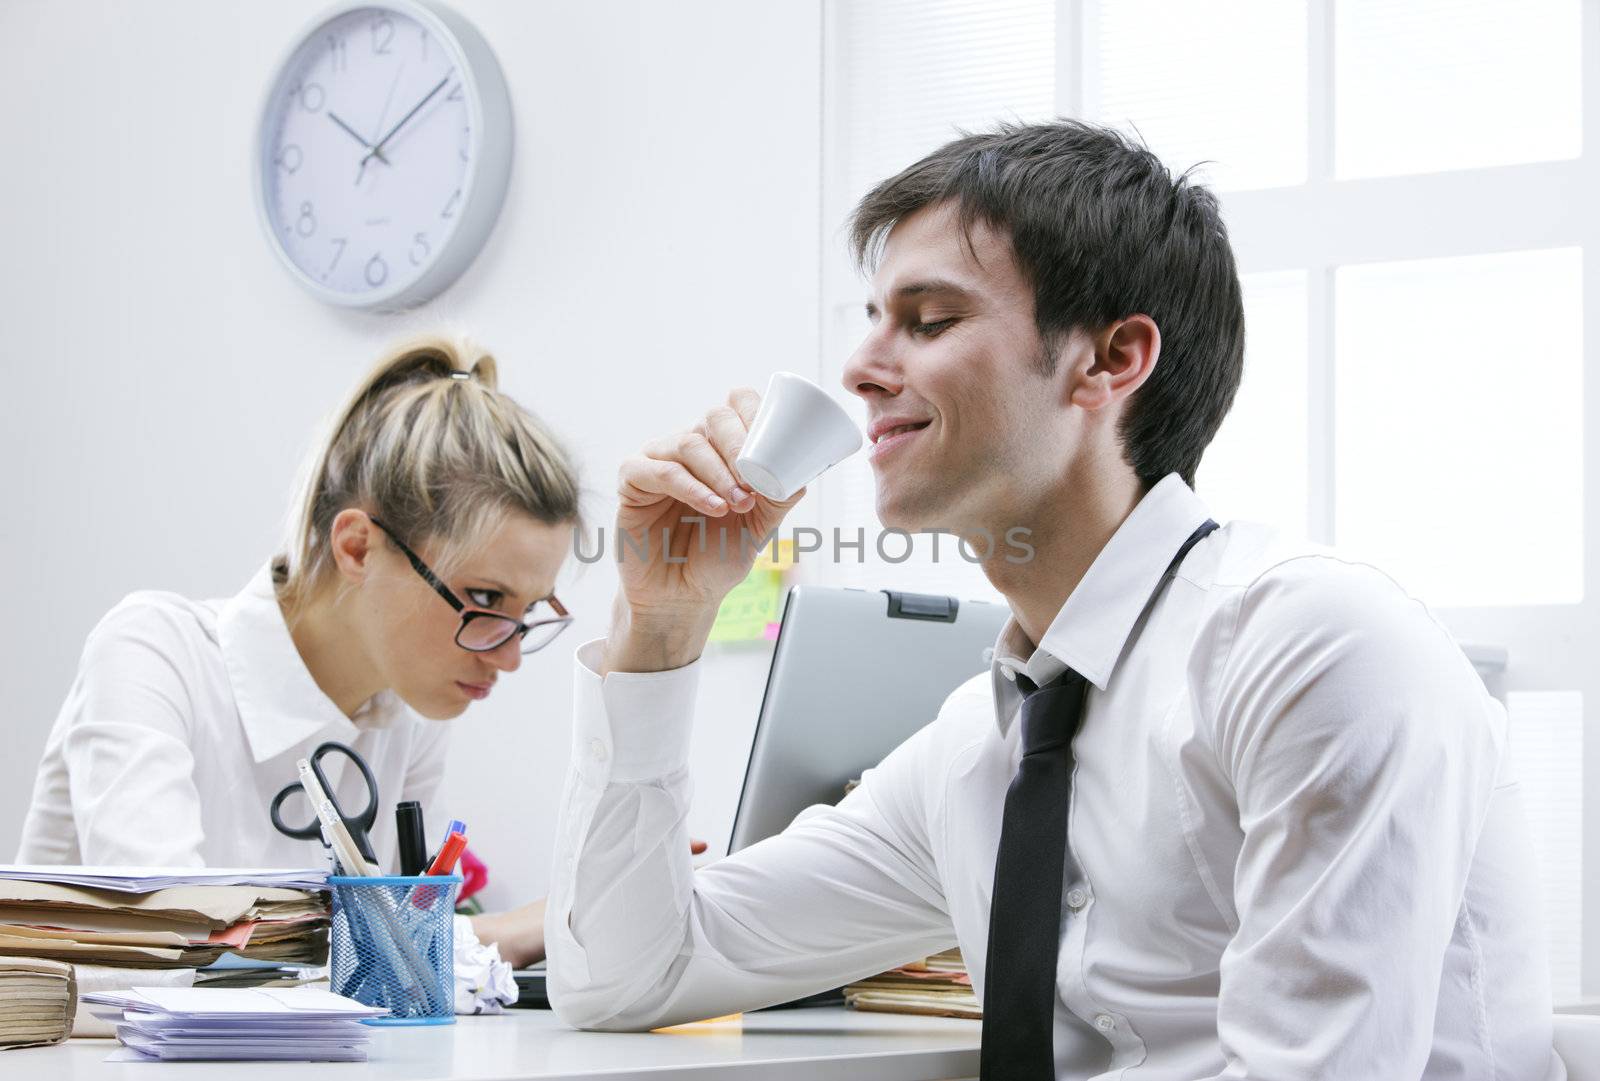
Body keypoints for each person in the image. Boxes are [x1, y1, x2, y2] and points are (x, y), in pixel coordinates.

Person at [544, 121, 1561, 1079]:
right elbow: (630, 973)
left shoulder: (1312, 647)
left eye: (928, 319)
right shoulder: (976, 751)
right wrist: (664, 624)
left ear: (1112, 359)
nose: (858, 368)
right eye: (871, 322)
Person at [16, 336, 577, 966]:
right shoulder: (153, 653)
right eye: (483, 597)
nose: (508, 658)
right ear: (359, 547)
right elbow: (177, 947)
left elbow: (405, 965)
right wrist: (511, 931)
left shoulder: (407, 717)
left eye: (526, 612)